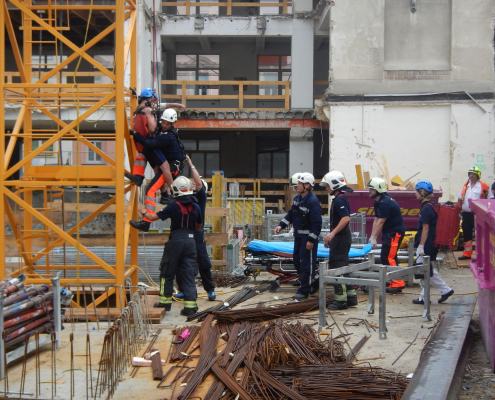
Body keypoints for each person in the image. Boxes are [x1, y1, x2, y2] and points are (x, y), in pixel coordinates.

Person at [131, 176, 201, 316]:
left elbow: (152, 218)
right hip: (190, 242)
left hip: (176, 242)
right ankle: (190, 307)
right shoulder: (196, 207)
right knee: (188, 274)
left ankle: (165, 302)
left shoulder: (173, 206)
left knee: (167, 272)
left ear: (176, 191)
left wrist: (144, 212)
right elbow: (199, 226)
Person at [129, 110, 186, 232]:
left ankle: (146, 222)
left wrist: (135, 134)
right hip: (168, 165)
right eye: (163, 123)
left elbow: (150, 143)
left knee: (150, 191)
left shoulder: (168, 137)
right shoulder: (163, 130)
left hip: (171, 168)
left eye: (167, 124)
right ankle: (140, 177)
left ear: (172, 124)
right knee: (142, 153)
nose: (164, 125)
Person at [174, 156, 216, 301]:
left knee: (203, 262)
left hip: (196, 234)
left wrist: (191, 164)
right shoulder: (184, 198)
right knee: (181, 262)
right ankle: (184, 290)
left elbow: (198, 183)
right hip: (183, 233)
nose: (193, 186)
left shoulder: (200, 196)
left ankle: (210, 289)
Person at [274, 172, 322, 299]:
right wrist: (281, 226)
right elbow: (290, 214)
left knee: (306, 263)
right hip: (299, 237)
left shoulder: (313, 201)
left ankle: (304, 289)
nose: (296, 186)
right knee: (297, 260)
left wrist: (311, 240)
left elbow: (317, 223)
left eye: (299, 183)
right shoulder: (297, 199)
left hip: (308, 238)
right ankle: (314, 280)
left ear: (307, 185)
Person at [125, 88, 184, 189]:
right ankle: (167, 192)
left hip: (145, 144)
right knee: (162, 166)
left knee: (154, 164)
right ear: (150, 99)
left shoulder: (138, 109)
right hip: (150, 143)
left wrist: (176, 105)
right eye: (154, 100)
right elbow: (152, 129)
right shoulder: (148, 110)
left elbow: (162, 105)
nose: (155, 103)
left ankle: (140, 177)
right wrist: (156, 119)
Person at [412, 180, 454, 304]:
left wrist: (421, 246)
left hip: (427, 243)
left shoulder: (426, 209)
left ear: (422, 192)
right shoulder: (431, 206)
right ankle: (427, 296)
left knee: (425, 269)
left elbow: (425, 229)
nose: (415, 194)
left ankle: (443, 290)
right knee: (427, 269)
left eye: (417, 192)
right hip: (431, 243)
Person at [321, 171, 357, 310]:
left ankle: (341, 301)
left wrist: (332, 234)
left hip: (341, 238)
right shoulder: (340, 199)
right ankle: (351, 297)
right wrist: (332, 237)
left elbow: (345, 218)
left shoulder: (340, 200)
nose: (326, 189)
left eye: (327, 186)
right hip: (341, 238)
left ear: (334, 184)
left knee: (337, 268)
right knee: (344, 267)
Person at [367, 177, 405, 292]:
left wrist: (374, 237)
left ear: (378, 190)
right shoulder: (379, 201)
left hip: (394, 234)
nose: (369, 191)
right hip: (389, 233)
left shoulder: (385, 202)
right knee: (386, 257)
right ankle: (393, 280)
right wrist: (372, 236)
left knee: (389, 257)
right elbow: (376, 219)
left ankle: (398, 283)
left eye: (371, 189)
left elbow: (381, 221)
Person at [456, 166, 490, 260]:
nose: (471, 176)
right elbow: (459, 198)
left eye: (473, 174)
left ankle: (480, 254)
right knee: (467, 234)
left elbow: (490, 199)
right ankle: (467, 253)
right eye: (470, 174)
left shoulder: (483, 186)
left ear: (478, 175)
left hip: (478, 215)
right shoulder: (466, 186)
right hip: (466, 214)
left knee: (478, 234)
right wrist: (459, 211)